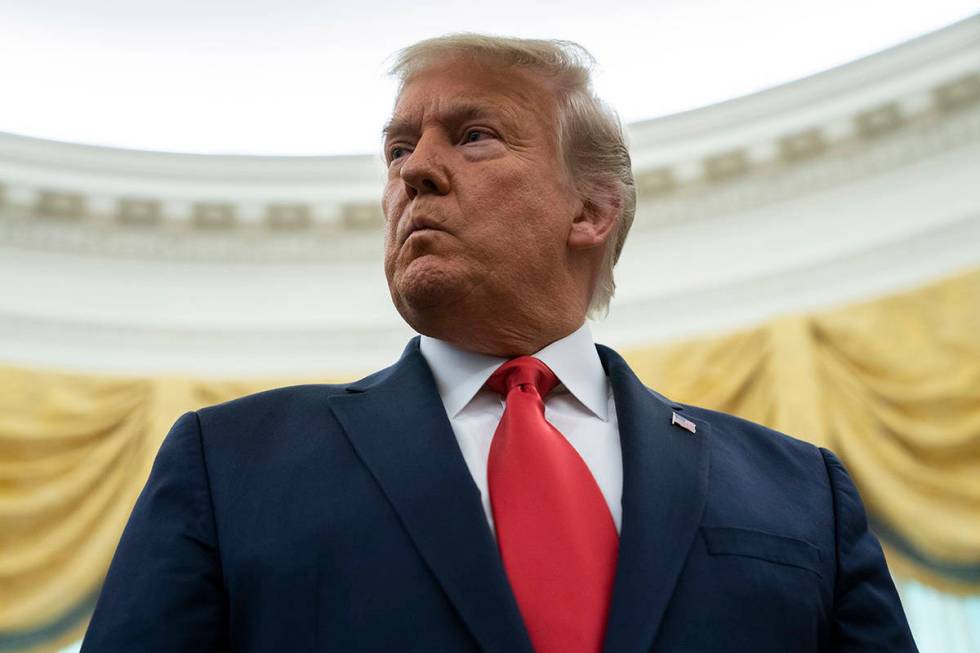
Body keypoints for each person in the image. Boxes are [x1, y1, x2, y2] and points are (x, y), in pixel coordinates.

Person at [81, 35, 917, 652]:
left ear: (590, 211)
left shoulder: (801, 491)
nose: (414, 171)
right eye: (399, 149)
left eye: (473, 135)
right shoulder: (229, 467)